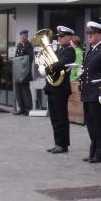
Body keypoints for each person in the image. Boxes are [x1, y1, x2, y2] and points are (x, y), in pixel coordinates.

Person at [38, 26, 75, 154]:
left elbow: (60, 64)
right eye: (58, 36)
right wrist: (42, 65)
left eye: (62, 36)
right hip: (53, 87)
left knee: (61, 118)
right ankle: (57, 142)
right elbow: (52, 62)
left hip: (61, 89)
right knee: (54, 118)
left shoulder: (70, 51)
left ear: (69, 37)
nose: (59, 38)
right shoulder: (59, 50)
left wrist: (47, 70)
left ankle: (63, 144)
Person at [78, 21, 101, 163]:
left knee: (99, 125)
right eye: (88, 34)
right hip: (88, 93)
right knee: (90, 125)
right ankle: (93, 151)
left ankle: (100, 153)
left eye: (92, 33)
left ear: (100, 35)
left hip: (97, 94)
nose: (89, 36)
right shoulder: (91, 50)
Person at [12, 30, 34, 115]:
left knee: (25, 90)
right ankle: (21, 108)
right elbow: (17, 57)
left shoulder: (29, 45)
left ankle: (28, 108)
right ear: (20, 36)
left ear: (27, 36)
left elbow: (30, 58)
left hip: (24, 71)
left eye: (24, 35)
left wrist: (21, 63)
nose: (23, 37)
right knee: (18, 90)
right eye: (21, 35)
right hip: (18, 71)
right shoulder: (19, 45)